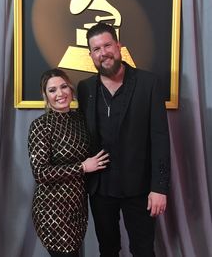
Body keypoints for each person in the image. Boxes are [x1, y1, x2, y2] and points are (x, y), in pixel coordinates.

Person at [77, 22, 170, 257]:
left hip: (140, 189)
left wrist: (159, 188)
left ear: (118, 46)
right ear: (91, 55)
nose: (103, 52)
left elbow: (160, 138)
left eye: (107, 45)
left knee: (143, 249)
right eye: (96, 49)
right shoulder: (85, 88)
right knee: (107, 249)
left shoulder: (149, 83)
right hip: (100, 189)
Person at [28, 68, 109, 257]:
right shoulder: (41, 126)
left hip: (77, 209)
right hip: (52, 211)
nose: (60, 94)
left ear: (71, 89)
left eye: (63, 86)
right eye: (52, 90)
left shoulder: (80, 120)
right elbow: (40, 173)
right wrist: (82, 167)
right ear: (45, 96)